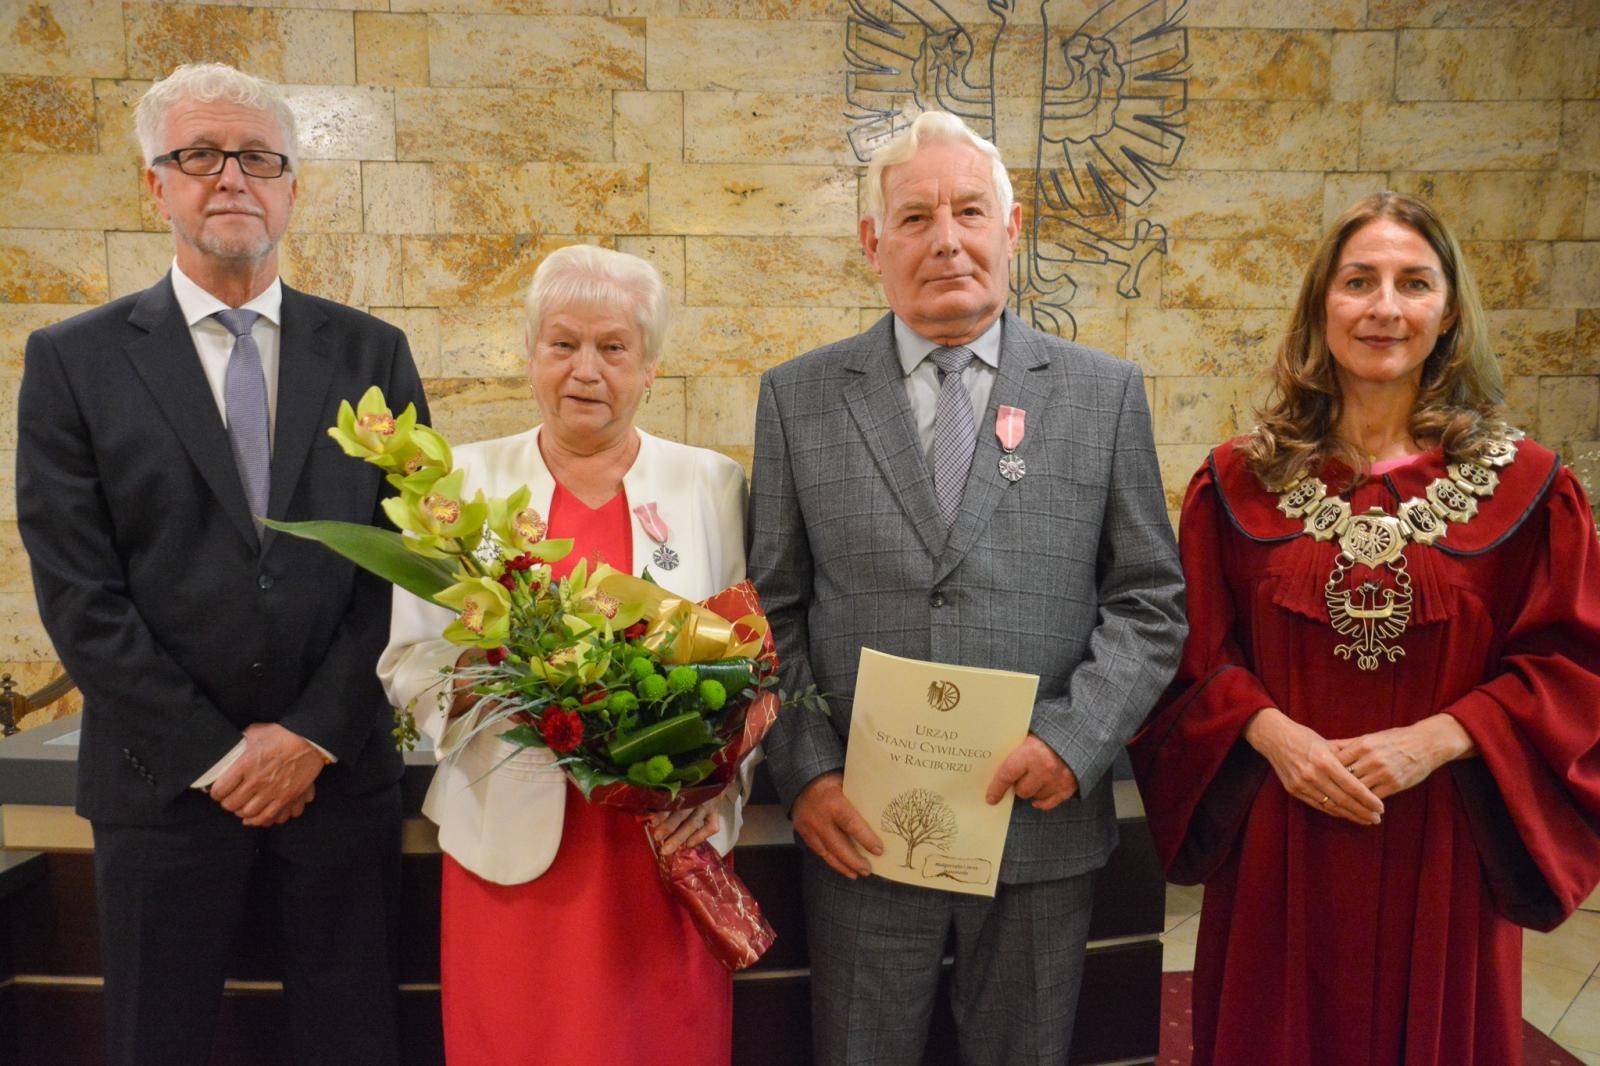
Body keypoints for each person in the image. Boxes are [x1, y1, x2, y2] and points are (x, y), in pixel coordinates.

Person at [746, 110, 1186, 1066]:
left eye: (969, 212)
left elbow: (1150, 601)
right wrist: (808, 771)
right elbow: (769, 609)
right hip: (862, 837)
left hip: (1039, 826)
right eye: (914, 218)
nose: (945, 239)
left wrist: (1073, 742)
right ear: (873, 243)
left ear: (1011, 228)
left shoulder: (1102, 393)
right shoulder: (799, 398)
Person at [15, 63, 426, 1065]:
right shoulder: (75, 361)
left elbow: (410, 557)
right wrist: (220, 752)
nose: (230, 177)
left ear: (291, 185)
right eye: (199, 155)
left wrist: (310, 736)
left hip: (336, 782)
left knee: (355, 1039)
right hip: (161, 788)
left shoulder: (371, 353)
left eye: (257, 157)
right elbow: (78, 589)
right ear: (156, 185)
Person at [1129, 191, 1600, 1065]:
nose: (1385, 308)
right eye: (1359, 281)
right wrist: (1272, 735)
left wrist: (1439, 737)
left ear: (1449, 311)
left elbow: (1575, 671)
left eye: (1413, 283)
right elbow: (1186, 657)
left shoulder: (1532, 491)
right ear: (1321, 304)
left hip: (1446, 848)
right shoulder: (1235, 483)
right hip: (1276, 838)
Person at [378, 244, 749, 1065]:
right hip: (510, 853)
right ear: (530, 355)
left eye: (614, 348)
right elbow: (407, 661)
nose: (587, 370)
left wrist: (720, 792)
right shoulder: (460, 488)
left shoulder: (711, 486)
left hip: (659, 853)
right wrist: (484, 682)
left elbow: (753, 667)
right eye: (563, 344)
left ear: (650, 366)